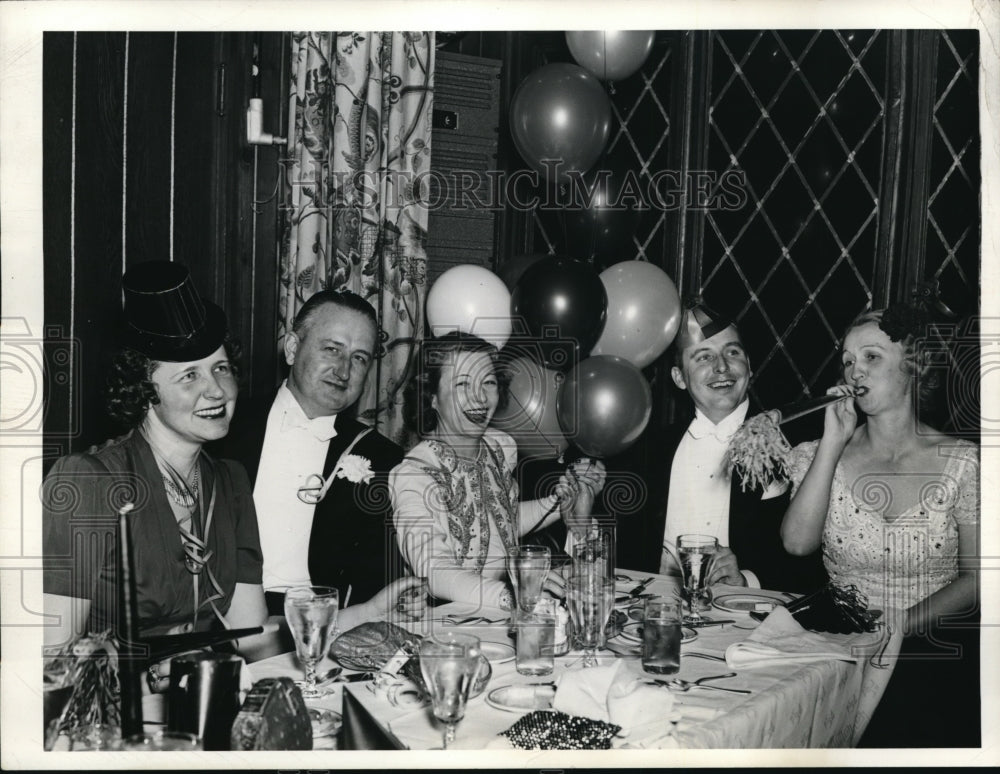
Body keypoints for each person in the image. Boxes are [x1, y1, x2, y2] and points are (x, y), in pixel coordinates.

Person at [781, 306, 979, 746]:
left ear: (916, 365)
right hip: (838, 650)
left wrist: (899, 627)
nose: (854, 371)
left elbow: (978, 579)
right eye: (847, 361)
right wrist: (832, 443)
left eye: (871, 357)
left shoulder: (966, 462)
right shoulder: (818, 453)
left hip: (931, 650)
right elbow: (796, 545)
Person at [215, 289, 422, 616]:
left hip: (324, 625)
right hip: (221, 620)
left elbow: (379, 574)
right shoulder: (223, 428)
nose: (344, 371)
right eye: (332, 349)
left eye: (359, 358)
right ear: (293, 348)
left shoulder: (382, 457)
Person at [619, 301, 827, 593]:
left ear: (749, 366)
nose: (721, 367)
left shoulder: (793, 445)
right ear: (679, 378)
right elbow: (626, 550)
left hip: (749, 617)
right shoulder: (649, 450)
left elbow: (812, 564)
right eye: (703, 357)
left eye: (732, 352)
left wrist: (747, 580)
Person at [390, 333, 606, 610]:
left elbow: (500, 519)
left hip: (499, 615)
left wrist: (564, 500)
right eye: (462, 384)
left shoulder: (498, 447)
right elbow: (433, 569)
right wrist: (513, 594)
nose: (480, 397)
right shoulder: (414, 474)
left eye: (488, 382)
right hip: (443, 622)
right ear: (431, 396)